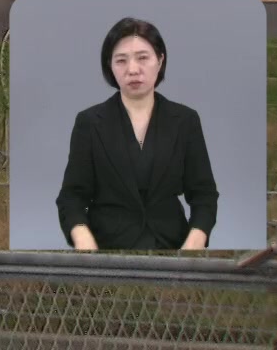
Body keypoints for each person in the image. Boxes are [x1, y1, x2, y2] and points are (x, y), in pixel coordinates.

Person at [55, 17, 218, 251]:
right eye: (121, 61)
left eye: (143, 58)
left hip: (173, 250)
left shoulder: (185, 121)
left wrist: (194, 242)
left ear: (160, 61)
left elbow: (204, 195)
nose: (133, 70)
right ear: (109, 66)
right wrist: (83, 240)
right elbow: (71, 197)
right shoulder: (89, 123)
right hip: (107, 253)